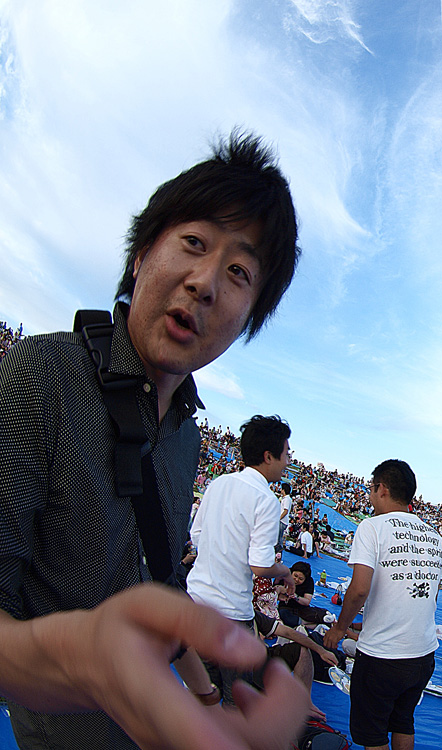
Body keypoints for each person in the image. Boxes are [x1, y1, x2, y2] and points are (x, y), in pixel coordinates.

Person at [0, 131, 307, 750]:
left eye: (240, 272)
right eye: (193, 242)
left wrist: (208, 700)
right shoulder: (42, 376)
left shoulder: (184, 433)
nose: (205, 282)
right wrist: (79, 662)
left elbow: (162, 582)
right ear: (141, 254)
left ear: (247, 320)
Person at [322, 460, 442, 750]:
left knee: (373, 734)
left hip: (383, 656)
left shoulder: (372, 527)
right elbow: (430, 597)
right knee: (403, 721)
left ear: (382, 489)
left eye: (371, 489)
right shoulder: (435, 538)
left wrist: (339, 628)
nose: (370, 496)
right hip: (423, 653)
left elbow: (358, 590)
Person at [186, 414, 296, 703]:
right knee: (236, 703)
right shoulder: (266, 500)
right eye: (286, 454)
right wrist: (284, 571)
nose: (288, 462)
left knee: (200, 697)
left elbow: (196, 535)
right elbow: (260, 565)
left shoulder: (219, 483)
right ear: (268, 456)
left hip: (196, 604)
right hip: (231, 615)